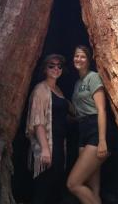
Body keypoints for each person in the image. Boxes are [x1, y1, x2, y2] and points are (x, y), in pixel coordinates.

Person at [67, 45, 109, 204]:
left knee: (73, 183)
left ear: (89, 59)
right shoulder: (78, 83)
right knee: (93, 189)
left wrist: (102, 140)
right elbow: (78, 112)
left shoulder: (94, 77)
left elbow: (101, 109)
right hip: (82, 131)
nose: (79, 59)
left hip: (95, 130)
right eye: (76, 56)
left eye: (82, 56)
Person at [26, 54, 68, 204]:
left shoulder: (58, 90)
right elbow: (38, 122)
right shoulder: (40, 90)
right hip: (48, 145)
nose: (56, 68)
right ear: (44, 68)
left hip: (59, 145)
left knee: (55, 187)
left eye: (59, 66)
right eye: (51, 65)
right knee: (43, 187)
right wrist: (45, 149)